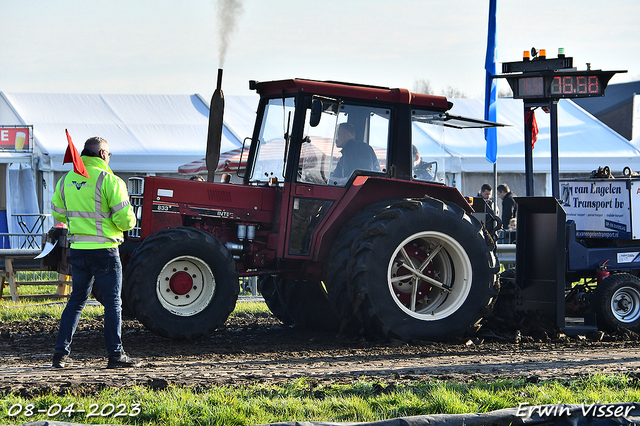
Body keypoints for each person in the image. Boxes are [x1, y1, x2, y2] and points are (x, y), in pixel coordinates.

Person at [51, 137, 140, 369]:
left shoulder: (67, 179)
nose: (109, 158)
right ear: (102, 154)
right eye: (109, 154)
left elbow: (59, 213)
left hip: (78, 250)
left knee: (76, 302)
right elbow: (125, 220)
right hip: (105, 251)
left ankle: (60, 355)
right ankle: (115, 355)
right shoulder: (110, 180)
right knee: (113, 304)